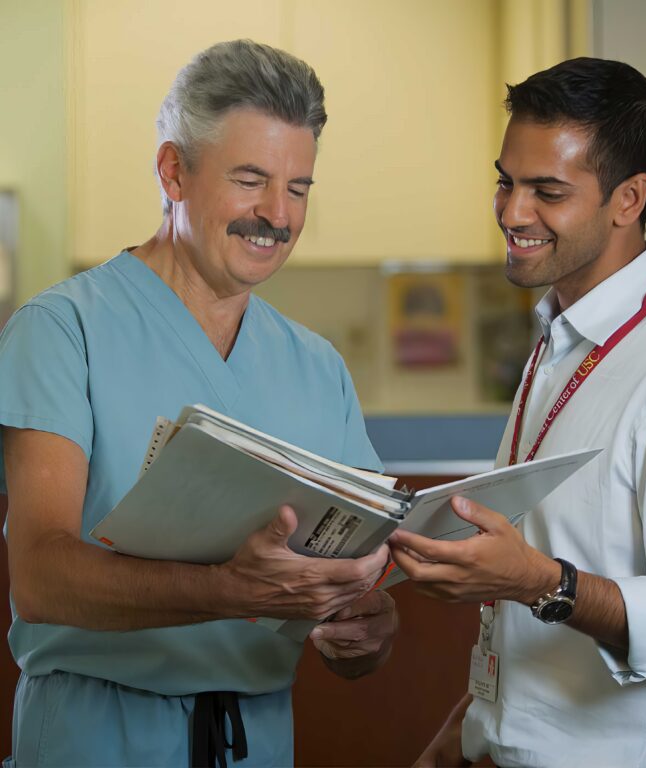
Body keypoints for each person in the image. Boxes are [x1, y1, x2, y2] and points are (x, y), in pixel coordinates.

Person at [0, 40, 397, 768]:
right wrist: (227, 589)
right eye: (251, 180)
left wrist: (361, 628)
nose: (277, 215)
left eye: (299, 188)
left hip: (258, 736)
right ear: (173, 171)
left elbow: (352, 589)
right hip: (98, 735)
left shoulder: (316, 367)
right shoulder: (63, 331)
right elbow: (41, 576)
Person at [390, 57, 646, 768]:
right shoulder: (560, 339)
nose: (511, 212)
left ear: (628, 198)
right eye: (506, 181)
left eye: (547, 191)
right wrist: (469, 731)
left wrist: (540, 582)